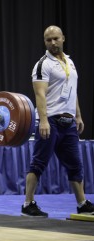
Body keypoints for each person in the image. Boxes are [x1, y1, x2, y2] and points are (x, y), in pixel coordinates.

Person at [21, 25, 94, 217]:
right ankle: (28, 204)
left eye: (56, 38)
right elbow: (40, 94)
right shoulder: (42, 64)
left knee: (76, 165)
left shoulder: (69, 62)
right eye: (48, 40)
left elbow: (72, 90)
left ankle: (82, 203)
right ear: (45, 42)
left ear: (63, 38)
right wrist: (43, 120)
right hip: (50, 121)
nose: (53, 42)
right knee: (38, 163)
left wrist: (77, 115)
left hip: (68, 122)